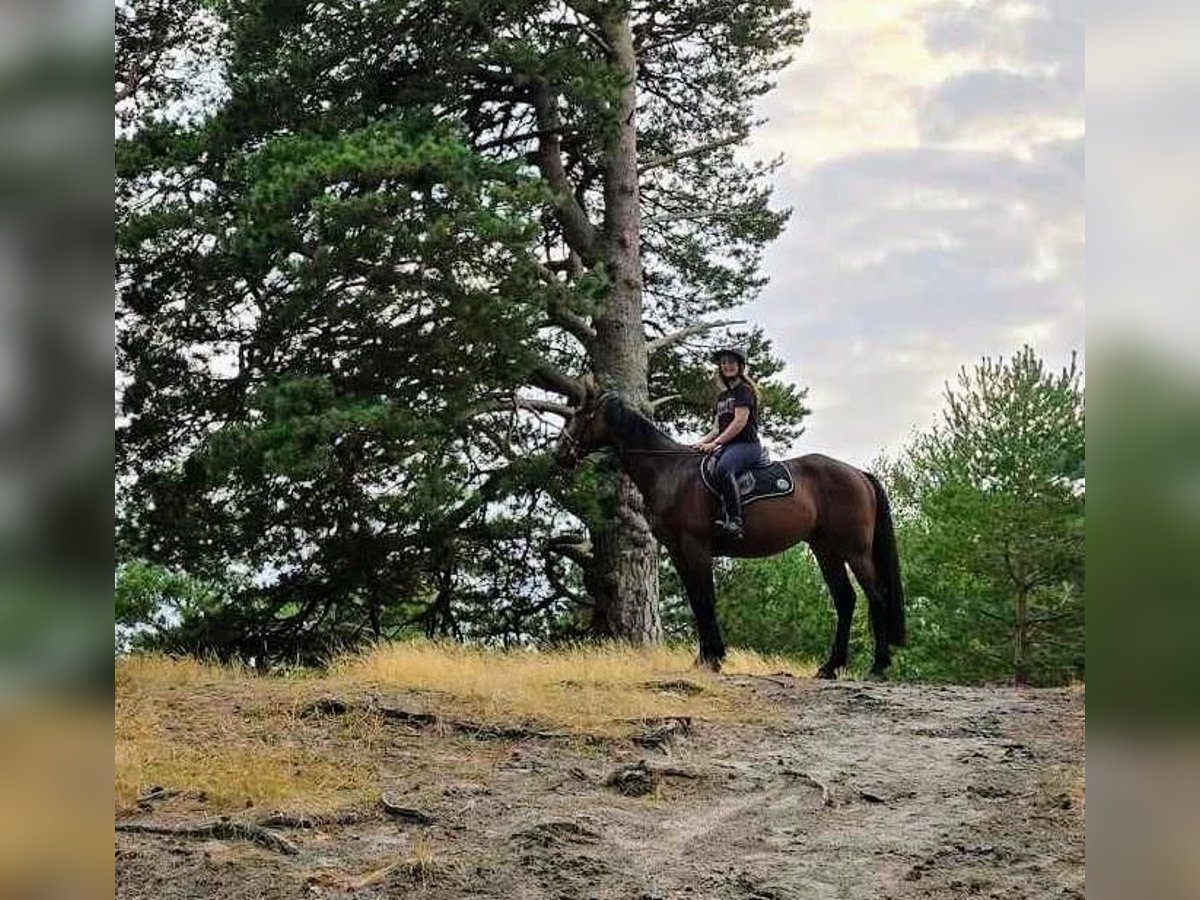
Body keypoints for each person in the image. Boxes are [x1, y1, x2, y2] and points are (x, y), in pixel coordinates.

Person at [692, 346, 763, 539]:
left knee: (724, 468)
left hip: (748, 446)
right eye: (723, 363)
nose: (727, 366)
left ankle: (735, 521)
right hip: (728, 446)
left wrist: (715, 444)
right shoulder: (721, 398)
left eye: (731, 362)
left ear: (740, 366)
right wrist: (698, 444)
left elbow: (739, 422)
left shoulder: (744, 391)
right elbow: (716, 428)